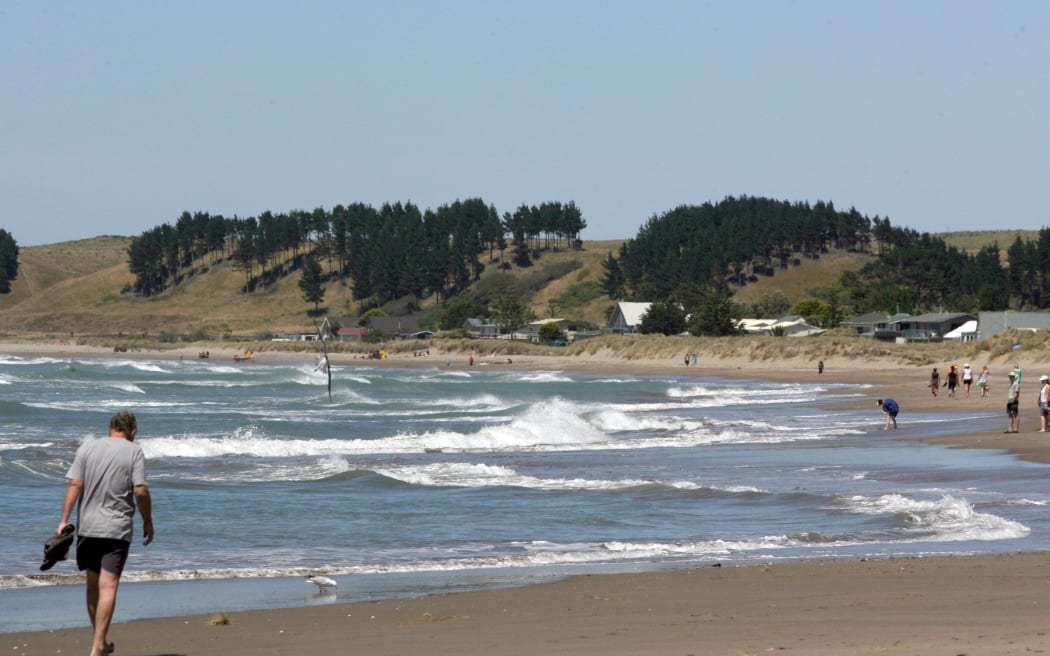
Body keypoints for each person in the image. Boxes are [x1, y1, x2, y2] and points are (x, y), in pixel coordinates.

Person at [58, 411, 154, 656]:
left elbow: (74, 485)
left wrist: (63, 521)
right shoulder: (134, 451)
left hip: (87, 528)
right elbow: (140, 490)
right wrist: (148, 521)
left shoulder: (87, 448)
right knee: (108, 587)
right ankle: (97, 647)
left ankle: (99, 641)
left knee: (92, 586)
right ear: (132, 432)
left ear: (110, 428)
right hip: (116, 528)